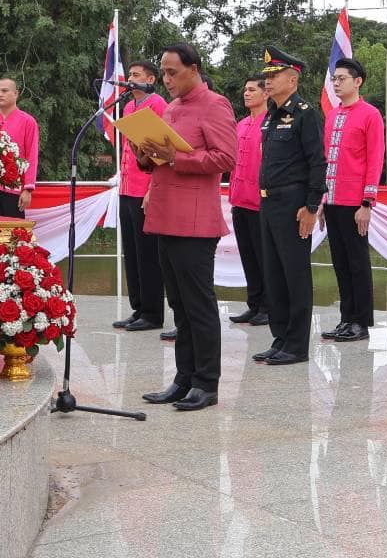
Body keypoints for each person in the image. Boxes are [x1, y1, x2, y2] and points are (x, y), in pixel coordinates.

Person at [136, 43, 236, 412]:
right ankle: (183, 379)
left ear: (193, 69)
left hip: (194, 221)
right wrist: (145, 153)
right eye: (163, 72)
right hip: (165, 215)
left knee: (198, 305)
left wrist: (177, 158)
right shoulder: (171, 108)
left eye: (172, 72)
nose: (166, 79)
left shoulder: (215, 104)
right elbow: (160, 159)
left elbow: (225, 158)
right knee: (178, 304)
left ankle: (206, 383)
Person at [254, 47, 326, 367]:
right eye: (266, 76)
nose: (268, 81)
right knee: (274, 275)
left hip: (294, 204)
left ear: (293, 79)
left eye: (274, 75)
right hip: (269, 202)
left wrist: (311, 206)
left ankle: (297, 345)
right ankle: (280, 338)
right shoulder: (270, 114)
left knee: (295, 275)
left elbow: (317, 162)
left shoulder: (305, 113)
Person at [320, 57, 385, 343]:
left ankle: (361, 321)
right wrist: (322, 198)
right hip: (332, 201)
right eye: (334, 79)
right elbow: (326, 159)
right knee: (340, 262)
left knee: (358, 263)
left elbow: (375, 159)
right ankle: (346, 318)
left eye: (342, 78)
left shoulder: (370, 114)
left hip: (355, 202)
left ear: (357, 82)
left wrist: (367, 202)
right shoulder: (332, 115)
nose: (336, 83)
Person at [112, 61, 168, 333]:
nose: (131, 79)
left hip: (145, 189)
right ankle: (138, 307)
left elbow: (161, 151)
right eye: (130, 74)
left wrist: (151, 189)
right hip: (126, 188)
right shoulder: (128, 106)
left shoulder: (157, 104)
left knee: (148, 254)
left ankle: (153, 312)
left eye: (136, 75)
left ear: (151, 79)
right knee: (132, 252)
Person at [228, 74, 270, 326]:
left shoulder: (270, 123)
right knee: (248, 256)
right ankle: (254, 304)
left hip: (260, 202)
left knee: (264, 256)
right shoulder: (241, 124)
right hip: (239, 200)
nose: (246, 93)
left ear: (266, 94)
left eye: (252, 89)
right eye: (245, 89)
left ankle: (268, 306)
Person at [0, 78, 39, 218]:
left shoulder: (28, 121)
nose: (0, 94)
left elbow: (32, 156)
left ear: (16, 94)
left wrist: (28, 189)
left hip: (15, 188)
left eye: (4, 91)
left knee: (15, 228)